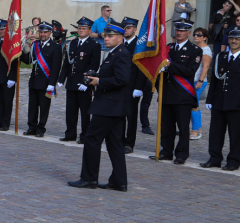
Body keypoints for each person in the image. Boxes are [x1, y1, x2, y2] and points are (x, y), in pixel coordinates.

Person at [68, 20, 131, 191]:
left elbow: (122, 79)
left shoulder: (122, 53)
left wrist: (99, 81)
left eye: (111, 36)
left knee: (91, 139)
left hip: (109, 106)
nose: (107, 39)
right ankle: (119, 181)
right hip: (112, 106)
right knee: (114, 143)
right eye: (106, 35)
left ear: (120, 38)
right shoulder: (114, 53)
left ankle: (89, 178)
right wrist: (95, 75)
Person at [151, 21, 202, 164]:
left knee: (183, 127)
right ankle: (166, 151)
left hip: (182, 95)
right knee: (166, 126)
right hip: (167, 94)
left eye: (183, 30)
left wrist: (170, 66)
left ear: (189, 33)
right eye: (177, 30)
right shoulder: (169, 48)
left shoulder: (195, 50)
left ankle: (181, 154)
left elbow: (189, 71)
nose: (179, 32)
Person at [201, 27, 240, 170]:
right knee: (216, 133)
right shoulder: (221, 56)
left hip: (236, 103)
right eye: (231, 38)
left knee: (236, 134)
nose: (234, 41)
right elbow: (215, 80)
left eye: (237, 39)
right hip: (219, 101)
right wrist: (210, 100)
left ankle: (234, 161)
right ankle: (215, 158)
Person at [58, 17, 101, 143]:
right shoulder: (72, 43)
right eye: (79, 28)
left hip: (84, 83)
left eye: (84, 29)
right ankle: (70, 134)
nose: (81, 30)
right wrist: (61, 79)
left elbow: (94, 65)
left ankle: (85, 135)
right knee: (70, 111)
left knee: (85, 111)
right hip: (71, 82)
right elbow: (67, 63)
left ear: (89, 30)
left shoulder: (94, 45)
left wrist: (85, 81)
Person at [21, 21, 62, 137]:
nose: (43, 34)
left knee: (44, 107)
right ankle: (31, 127)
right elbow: (29, 60)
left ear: (50, 33)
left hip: (46, 82)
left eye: (45, 32)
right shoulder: (35, 45)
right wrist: (19, 52)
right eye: (41, 32)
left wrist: (52, 83)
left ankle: (40, 128)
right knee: (32, 106)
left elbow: (56, 67)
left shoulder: (56, 47)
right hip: (34, 81)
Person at [122, 17, 148, 153]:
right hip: (119, 85)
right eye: (124, 27)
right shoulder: (120, 43)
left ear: (135, 29)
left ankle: (129, 143)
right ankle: (119, 139)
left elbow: (142, 68)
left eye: (129, 27)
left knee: (131, 116)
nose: (126, 30)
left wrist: (139, 87)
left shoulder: (139, 45)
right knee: (119, 114)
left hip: (132, 86)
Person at [191, 27, 213, 141]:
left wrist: (200, 81)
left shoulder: (206, 51)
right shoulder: (195, 48)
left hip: (198, 81)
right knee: (194, 105)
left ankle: (196, 130)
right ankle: (197, 128)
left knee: (193, 105)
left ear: (205, 37)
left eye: (199, 35)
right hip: (191, 80)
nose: (195, 36)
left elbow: (205, 67)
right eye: (195, 34)